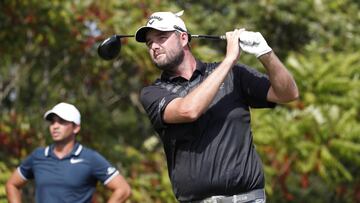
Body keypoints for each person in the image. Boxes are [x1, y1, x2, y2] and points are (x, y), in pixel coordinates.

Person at [135, 10, 299, 203]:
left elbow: (288, 94)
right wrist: (229, 59)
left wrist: (266, 54)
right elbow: (189, 110)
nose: (154, 46)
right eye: (149, 43)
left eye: (162, 38)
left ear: (183, 38)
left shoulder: (235, 76)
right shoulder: (153, 93)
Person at [6, 102, 131, 203]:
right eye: (52, 122)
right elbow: (12, 184)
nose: (55, 126)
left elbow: (123, 189)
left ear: (76, 128)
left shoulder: (90, 158)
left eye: (62, 121)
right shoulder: (38, 156)